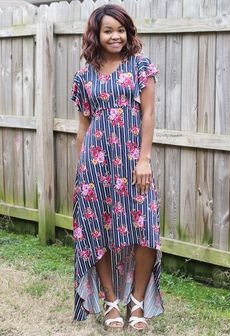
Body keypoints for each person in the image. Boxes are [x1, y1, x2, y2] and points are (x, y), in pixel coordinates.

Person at [71, 4, 164, 331]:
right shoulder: (84, 76)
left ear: (129, 32)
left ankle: (137, 301)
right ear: (96, 34)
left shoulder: (140, 66)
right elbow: (83, 127)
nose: (115, 36)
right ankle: (110, 299)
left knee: (146, 228)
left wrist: (144, 159)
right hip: (95, 165)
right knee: (98, 229)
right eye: (108, 30)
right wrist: (81, 172)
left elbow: (149, 115)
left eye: (120, 29)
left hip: (134, 163)